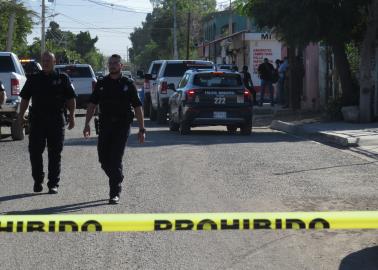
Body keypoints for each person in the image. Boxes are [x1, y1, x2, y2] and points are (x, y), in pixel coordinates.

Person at [83, 54, 145, 205]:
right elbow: (92, 104)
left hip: (122, 126)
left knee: (116, 158)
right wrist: (86, 124)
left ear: (121, 66)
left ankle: (114, 193)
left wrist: (142, 128)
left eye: (115, 63)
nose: (112, 66)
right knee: (103, 159)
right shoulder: (102, 83)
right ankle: (117, 177)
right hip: (105, 125)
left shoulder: (128, 84)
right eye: (110, 63)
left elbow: (137, 106)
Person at [18, 52, 76, 194]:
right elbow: (25, 98)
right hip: (37, 121)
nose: (45, 63)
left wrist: (72, 116)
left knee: (55, 153)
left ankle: (53, 184)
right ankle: (38, 180)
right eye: (43, 60)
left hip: (56, 120)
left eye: (48, 60)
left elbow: (70, 99)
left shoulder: (62, 78)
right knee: (35, 152)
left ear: (54, 61)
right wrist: (20, 116)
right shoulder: (33, 79)